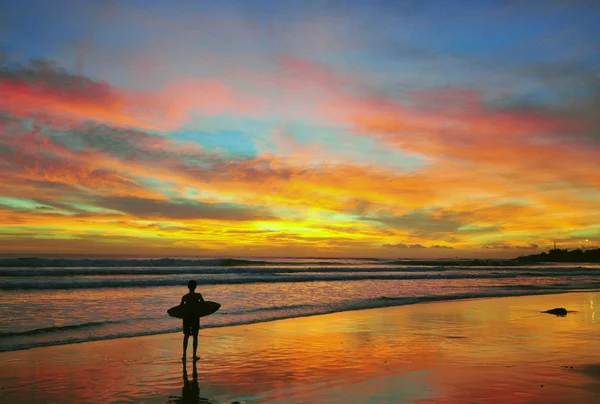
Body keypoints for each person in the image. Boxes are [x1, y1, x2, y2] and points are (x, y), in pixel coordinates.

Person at [181, 280, 204, 361]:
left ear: (188, 287)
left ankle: (184, 355)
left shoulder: (185, 297)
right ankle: (194, 355)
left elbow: (181, 308)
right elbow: (203, 305)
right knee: (195, 336)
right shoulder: (198, 296)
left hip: (186, 317)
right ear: (195, 287)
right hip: (195, 317)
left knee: (186, 336)